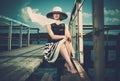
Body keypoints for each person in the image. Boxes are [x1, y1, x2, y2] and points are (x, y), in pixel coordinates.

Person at [44, 6, 77, 74]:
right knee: (62, 44)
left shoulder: (65, 25)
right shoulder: (48, 25)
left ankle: (66, 63)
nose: (56, 15)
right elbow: (53, 37)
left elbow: (67, 34)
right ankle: (71, 65)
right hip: (51, 46)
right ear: (52, 15)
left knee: (67, 41)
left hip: (62, 44)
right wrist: (64, 36)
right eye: (55, 13)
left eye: (58, 13)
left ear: (60, 15)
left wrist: (68, 37)